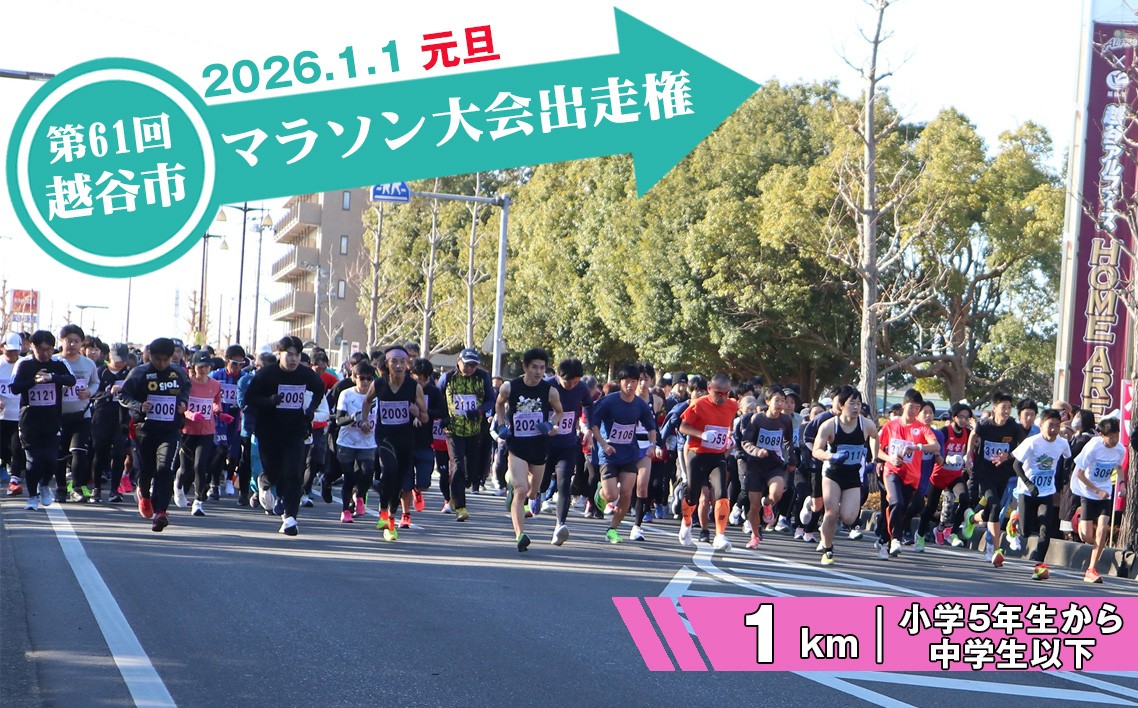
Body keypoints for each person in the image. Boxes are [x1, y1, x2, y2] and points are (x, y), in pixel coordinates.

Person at [243, 336, 326, 536]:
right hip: (269, 432)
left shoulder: (304, 374)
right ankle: (266, 479)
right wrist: (270, 401)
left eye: (297, 355)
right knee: (275, 473)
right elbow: (249, 398)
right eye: (289, 354)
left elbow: (319, 389)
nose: (293, 359)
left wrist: (310, 409)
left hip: (295, 431)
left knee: (293, 473)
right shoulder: (266, 374)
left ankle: (290, 518)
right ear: (279, 354)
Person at [493, 348, 564, 551]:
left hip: (539, 446)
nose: (538, 371)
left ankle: (521, 488)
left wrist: (550, 424)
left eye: (542, 368)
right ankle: (520, 535)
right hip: (517, 445)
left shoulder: (550, 391)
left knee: (533, 493)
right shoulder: (510, 387)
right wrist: (501, 425)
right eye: (534, 367)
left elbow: (559, 412)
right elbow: (499, 405)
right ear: (525, 367)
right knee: (521, 490)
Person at [119, 337, 190, 531]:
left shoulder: (178, 373)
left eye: (166, 359)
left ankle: (161, 512)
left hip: (170, 431)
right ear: (149, 355)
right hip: (144, 430)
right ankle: (143, 493)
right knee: (146, 470)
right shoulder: (139, 373)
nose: (162, 363)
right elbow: (123, 395)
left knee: (165, 469)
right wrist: (139, 405)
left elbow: (186, 389)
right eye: (157, 359)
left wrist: (183, 403)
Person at [362, 345, 429, 540]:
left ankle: (391, 518)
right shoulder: (379, 384)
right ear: (386, 364)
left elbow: (425, 417)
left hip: (406, 438)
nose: (399, 365)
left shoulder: (414, 387)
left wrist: (418, 413)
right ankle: (384, 513)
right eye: (394, 361)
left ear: (407, 364)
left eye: (402, 361)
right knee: (389, 470)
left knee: (399, 480)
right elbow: (367, 401)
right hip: (385, 436)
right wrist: (365, 420)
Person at [590, 364, 660, 544]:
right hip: (609, 454)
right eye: (626, 381)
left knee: (627, 493)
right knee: (612, 495)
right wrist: (603, 444)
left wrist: (652, 445)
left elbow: (651, 428)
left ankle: (612, 529)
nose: (630, 385)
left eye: (633, 381)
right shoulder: (609, 401)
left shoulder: (640, 405)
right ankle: (602, 492)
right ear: (620, 382)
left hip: (629, 453)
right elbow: (593, 424)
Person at [9, 330, 77, 510]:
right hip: (29, 421)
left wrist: (52, 377)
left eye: (49, 350)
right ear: (32, 347)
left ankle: (44, 484)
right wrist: (34, 381)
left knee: (51, 459)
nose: (45, 354)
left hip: (52, 420)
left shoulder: (59, 363)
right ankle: (32, 497)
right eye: (40, 349)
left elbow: (71, 380)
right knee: (33, 461)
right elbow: (14, 388)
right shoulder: (24, 364)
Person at [812, 385, 878, 565]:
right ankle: (827, 549)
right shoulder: (829, 425)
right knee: (831, 513)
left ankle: (826, 530)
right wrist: (831, 456)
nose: (856, 407)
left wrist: (874, 459)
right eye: (852, 403)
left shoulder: (866, 424)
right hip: (832, 473)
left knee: (849, 517)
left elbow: (874, 436)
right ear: (841, 405)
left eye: (858, 403)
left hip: (853, 474)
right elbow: (816, 450)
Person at [963, 391, 1026, 568]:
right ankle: (993, 548)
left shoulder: (1013, 427)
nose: (1006, 411)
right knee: (996, 506)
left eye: (1009, 408)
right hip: (984, 474)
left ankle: (972, 519)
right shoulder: (985, 424)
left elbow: (1023, 446)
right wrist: (968, 454)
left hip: (1003, 474)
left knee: (991, 509)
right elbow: (973, 435)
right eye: (1003, 407)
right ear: (994, 408)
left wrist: (1009, 456)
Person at [678, 373, 739, 550]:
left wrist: (729, 436)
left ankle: (720, 535)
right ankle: (686, 522)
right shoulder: (699, 404)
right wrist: (701, 434)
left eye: (726, 393)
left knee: (721, 493)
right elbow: (682, 426)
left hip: (717, 456)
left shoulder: (732, 405)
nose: (722, 397)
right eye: (718, 393)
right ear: (709, 389)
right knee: (693, 495)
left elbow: (729, 424)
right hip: (697, 455)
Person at [875, 388, 939, 559]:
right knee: (896, 502)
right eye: (911, 407)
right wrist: (888, 458)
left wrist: (917, 447)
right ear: (903, 405)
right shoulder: (891, 426)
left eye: (918, 408)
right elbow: (877, 449)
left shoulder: (921, 428)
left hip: (911, 477)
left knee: (902, 508)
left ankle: (884, 539)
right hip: (892, 471)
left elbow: (936, 446)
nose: (914, 411)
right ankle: (896, 538)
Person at [1012, 408, 1072, 581]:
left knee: (1045, 526)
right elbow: (1016, 465)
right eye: (1050, 425)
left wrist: (1064, 478)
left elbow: (1068, 458)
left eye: (1057, 426)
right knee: (1025, 531)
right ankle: (1015, 520)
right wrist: (1028, 483)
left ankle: (1039, 564)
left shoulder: (1062, 443)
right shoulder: (1032, 442)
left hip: (1046, 491)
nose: (1053, 429)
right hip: (1027, 491)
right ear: (1042, 425)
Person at [438, 349, 495, 523]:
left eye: (473, 365)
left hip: (474, 430)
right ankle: (460, 507)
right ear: (458, 361)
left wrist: (479, 411)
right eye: (466, 364)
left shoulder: (483, 377)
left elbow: (491, 400)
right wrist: (443, 416)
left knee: (471, 472)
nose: (469, 368)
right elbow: (437, 397)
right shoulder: (448, 378)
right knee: (457, 466)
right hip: (453, 430)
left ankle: (460, 489)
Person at [543, 358, 593, 546]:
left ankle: (560, 526)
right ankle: (530, 494)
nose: (572, 386)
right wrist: (547, 426)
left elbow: (589, 405)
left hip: (567, 443)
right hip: (546, 443)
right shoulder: (546, 386)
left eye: (575, 382)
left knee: (564, 483)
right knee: (541, 484)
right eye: (568, 382)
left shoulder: (581, 387)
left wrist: (588, 428)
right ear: (558, 375)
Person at [1070, 418, 1124, 583]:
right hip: (1087, 491)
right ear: (1102, 435)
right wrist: (1096, 490)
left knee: (1102, 529)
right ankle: (1080, 515)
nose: (1114, 440)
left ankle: (1092, 568)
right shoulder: (1093, 447)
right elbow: (1079, 474)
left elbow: (1119, 468)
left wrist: (1122, 485)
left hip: (1105, 493)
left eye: (1116, 436)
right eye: (1110, 437)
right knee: (1087, 536)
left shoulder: (1120, 449)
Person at [739, 386, 793, 550]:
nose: (780, 403)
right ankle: (755, 536)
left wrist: (791, 458)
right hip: (755, 466)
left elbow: (788, 441)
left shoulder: (785, 421)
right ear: (768, 401)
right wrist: (757, 451)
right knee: (754, 506)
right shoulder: (757, 419)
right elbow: (745, 441)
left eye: (783, 400)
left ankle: (768, 504)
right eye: (777, 400)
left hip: (774, 465)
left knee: (777, 493)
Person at [57, 324, 100, 502]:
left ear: (81, 343)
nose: (72, 345)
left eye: (76, 341)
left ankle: (76, 488)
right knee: (60, 453)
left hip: (82, 414)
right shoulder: (55, 361)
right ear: (61, 341)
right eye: (69, 341)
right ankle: (60, 487)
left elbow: (95, 382)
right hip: (58, 415)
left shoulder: (88, 364)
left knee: (79, 450)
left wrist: (89, 392)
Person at [177, 351, 223, 517]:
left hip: (206, 430)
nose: (203, 370)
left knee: (200, 466)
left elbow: (216, 401)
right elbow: (180, 405)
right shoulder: (187, 384)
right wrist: (190, 414)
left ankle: (198, 501)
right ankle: (178, 488)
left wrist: (219, 411)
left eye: (206, 366)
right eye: (200, 366)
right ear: (193, 367)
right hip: (188, 431)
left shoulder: (215, 384)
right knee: (185, 469)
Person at [333, 361, 378, 523]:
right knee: (349, 476)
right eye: (361, 378)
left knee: (367, 473)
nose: (365, 382)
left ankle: (359, 495)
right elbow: (339, 420)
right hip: (347, 442)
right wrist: (353, 418)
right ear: (354, 378)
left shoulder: (377, 396)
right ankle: (345, 510)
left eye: (369, 378)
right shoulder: (346, 394)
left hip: (368, 442)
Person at [89, 343, 133, 502]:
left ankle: (115, 489)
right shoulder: (100, 372)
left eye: (123, 360)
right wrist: (109, 392)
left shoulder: (130, 373)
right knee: (100, 453)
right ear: (109, 356)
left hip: (122, 417)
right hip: (101, 416)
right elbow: (92, 394)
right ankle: (96, 488)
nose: (120, 363)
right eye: (117, 359)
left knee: (119, 453)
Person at [409, 357, 447, 520]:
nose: (421, 382)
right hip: (406, 441)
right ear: (412, 375)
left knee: (424, 482)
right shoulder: (405, 389)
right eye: (418, 378)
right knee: (405, 481)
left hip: (425, 441)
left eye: (425, 379)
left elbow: (442, 412)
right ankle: (404, 508)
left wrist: (423, 414)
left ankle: (418, 491)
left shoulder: (433, 392)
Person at [1, 333, 25, 496]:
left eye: (16, 351)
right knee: (3, 447)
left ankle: (14, 480)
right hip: (2, 416)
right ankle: (3, 464)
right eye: (9, 350)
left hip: (19, 415)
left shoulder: (24, 364)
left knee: (18, 448)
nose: (13, 354)